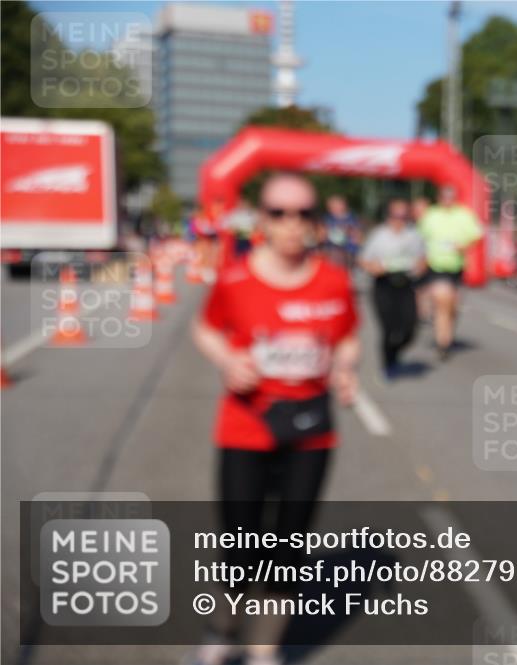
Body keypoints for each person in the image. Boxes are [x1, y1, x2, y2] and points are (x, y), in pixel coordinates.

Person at [187, 173, 360, 665]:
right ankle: (220, 636)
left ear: (316, 221)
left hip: (310, 431)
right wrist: (227, 361)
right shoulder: (237, 277)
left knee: (288, 554)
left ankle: (265, 653)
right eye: (280, 212)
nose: (292, 223)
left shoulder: (334, 279)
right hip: (246, 426)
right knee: (241, 551)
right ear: (262, 219)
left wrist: (346, 369)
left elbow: (347, 337)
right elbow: (206, 329)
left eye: (304, 212)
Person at [358, 198, 426, 378]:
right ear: (388, 216)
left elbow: (423, 259)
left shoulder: (414, 235)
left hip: (405, 285)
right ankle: (388, 364)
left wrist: (419, 267)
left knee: (409, 329)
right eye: (396, 216)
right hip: (384, 284)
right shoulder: (378, 235)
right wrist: (375, 267)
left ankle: (395, 354)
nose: (400, 220)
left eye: (404, 216)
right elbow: (363, 260)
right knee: (389, 328)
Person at [416, 185, 484, 359]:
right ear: (438, 197)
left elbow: (477, 235)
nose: (447, 200)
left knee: (452, 307)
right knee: (441, 304)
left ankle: (447, 334)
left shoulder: (464, 215)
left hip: (456, 267)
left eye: (450, 196)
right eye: (444, 196)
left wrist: (464, 246)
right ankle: (442, 343)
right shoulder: (431, 215)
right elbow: (419, 237)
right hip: (436, 266)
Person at [322, 194, 363, 269]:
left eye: (337, 205)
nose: (334, 207)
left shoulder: (352, 219)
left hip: (349, 253)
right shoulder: (326, 219)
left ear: (344, 205)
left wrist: (350, 232)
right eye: (331, 205)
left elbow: (357, 237)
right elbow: (322, 235)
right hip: (331, 252)